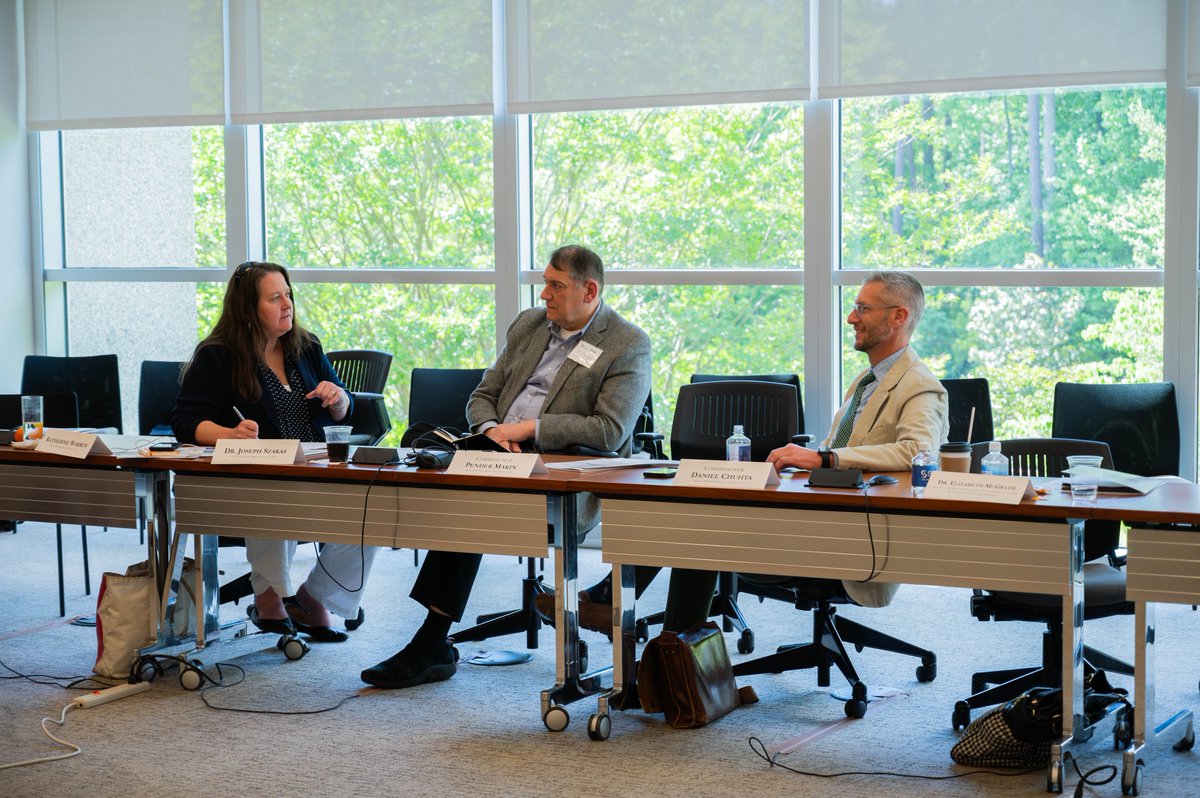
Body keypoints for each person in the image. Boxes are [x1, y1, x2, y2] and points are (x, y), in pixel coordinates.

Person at [361, 244, 652, 689]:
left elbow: (609, 431)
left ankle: (431, 643)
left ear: (589, 290)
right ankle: (431, 643)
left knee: (472, 503)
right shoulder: (529, 325)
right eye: (544, 284)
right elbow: (482, 395)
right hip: (497, 455)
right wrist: (494, 429)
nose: (544, 296)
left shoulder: (626, 344)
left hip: (566, 473)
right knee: (453, 486)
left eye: (555, 286)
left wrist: (527, 430)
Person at [666, 270, 950, 618]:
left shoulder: (921, 385)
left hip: (857, 541)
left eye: (863, 308)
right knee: (694, 519)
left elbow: (916, 453)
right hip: (821, 517)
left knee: (701, 531)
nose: (851, 318)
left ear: (898, 316)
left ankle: (674, 653)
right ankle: (677, 652)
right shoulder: (868, 379)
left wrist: (825, 458)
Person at [173, 261, 378, 642]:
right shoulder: (218, 355)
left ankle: (312, 596)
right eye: (274, 298)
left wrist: (338, 400)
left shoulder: (306, 345)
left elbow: (346, 406)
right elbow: (185, 421)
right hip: (252, 479)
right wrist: (227, 434)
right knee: (271, 488)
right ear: (248, 309)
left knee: (373, 507)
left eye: (288, 295)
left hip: (317, 469)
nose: (287, 304)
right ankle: (269, 597)